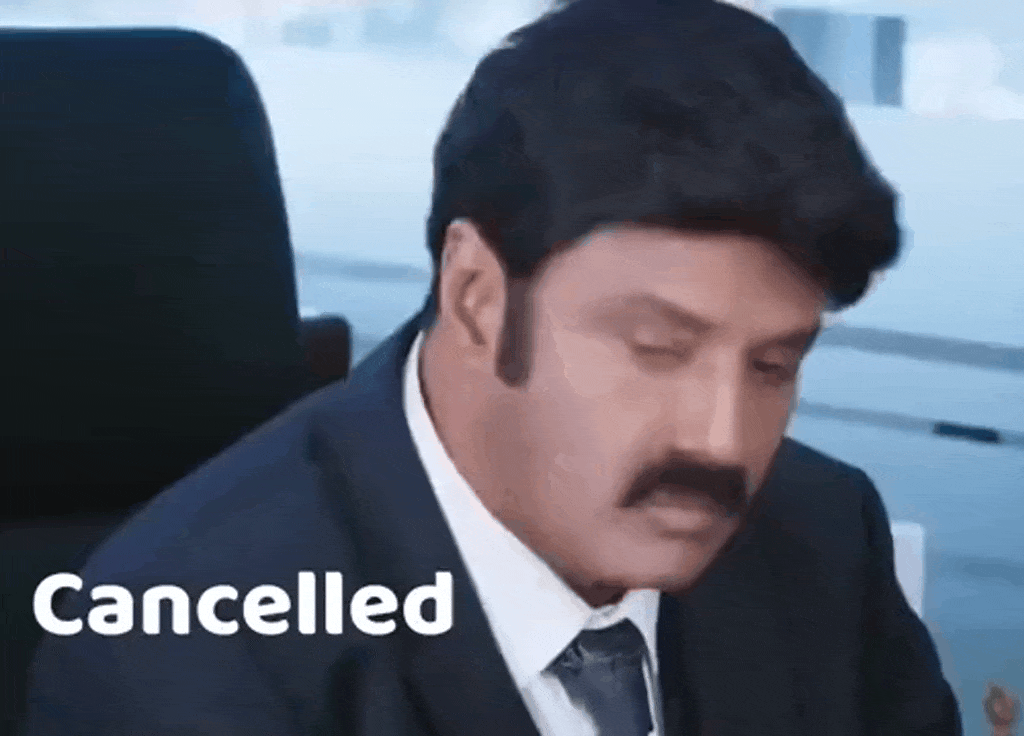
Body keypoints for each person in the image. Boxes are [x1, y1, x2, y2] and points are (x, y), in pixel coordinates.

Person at [22, 0, 963, 733]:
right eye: (657, 350)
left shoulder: (824, 535)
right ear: (477, 294)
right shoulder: (188, 652)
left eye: (772, 365)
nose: (720, 443)